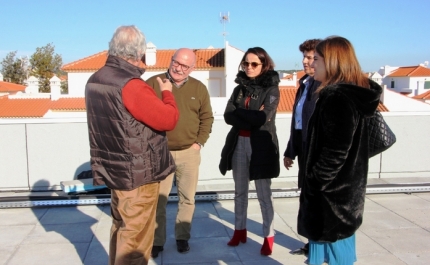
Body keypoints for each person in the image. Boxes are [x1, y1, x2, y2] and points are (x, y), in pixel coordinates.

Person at [85, 25, 179, 265]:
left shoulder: (95, 80)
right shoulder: (131, 85)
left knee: (121, 229)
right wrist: (167, 93)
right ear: (139, 52)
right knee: (135, 244)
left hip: (116, 172)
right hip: (138, 176)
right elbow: (168, 119)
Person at [298, 36, 382, 265]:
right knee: (334, 249)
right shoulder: (351, 93)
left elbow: (335, 152)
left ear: (332, 62)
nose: (311, 64)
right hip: (344, 193)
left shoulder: (337, 97)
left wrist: (315, 181)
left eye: (316, 59)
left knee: (337, 254)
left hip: (331, 198)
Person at [146, 48, 214, 257]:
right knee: (159, 200)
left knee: (187, 199)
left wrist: (198, 144)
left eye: (185, 65)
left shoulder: (199, 88)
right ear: (171, 60)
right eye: (177, 62)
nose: (179, 68)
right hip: (160, 154)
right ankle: (157, 242)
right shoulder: (153, 83)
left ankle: (182, 238)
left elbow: (207, 118)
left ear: (192, 68)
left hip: (189, 153)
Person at [219, 47, 280, 256]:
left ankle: (268, 236)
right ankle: (239, 230)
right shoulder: (240, 88)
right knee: (240, 191)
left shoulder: (271, 89)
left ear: (264, 65)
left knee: (264, 194)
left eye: (254, 64)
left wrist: (241, 113)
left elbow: (263, 118)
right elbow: (228, 116)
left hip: (261, 146)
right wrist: (251, 114)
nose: (249, 67)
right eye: (246, 63)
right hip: (239, 144)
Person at [284, 39, 321, 256]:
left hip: (318, 155)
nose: (305, 61)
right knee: (307, 199)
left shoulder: (324, 87)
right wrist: (291, 151)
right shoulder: (304, 84)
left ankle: (319, 248)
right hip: (305, 152)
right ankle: (312, 243)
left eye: (310, 58)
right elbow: (298, 124)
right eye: (305, 57)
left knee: (317, 201)